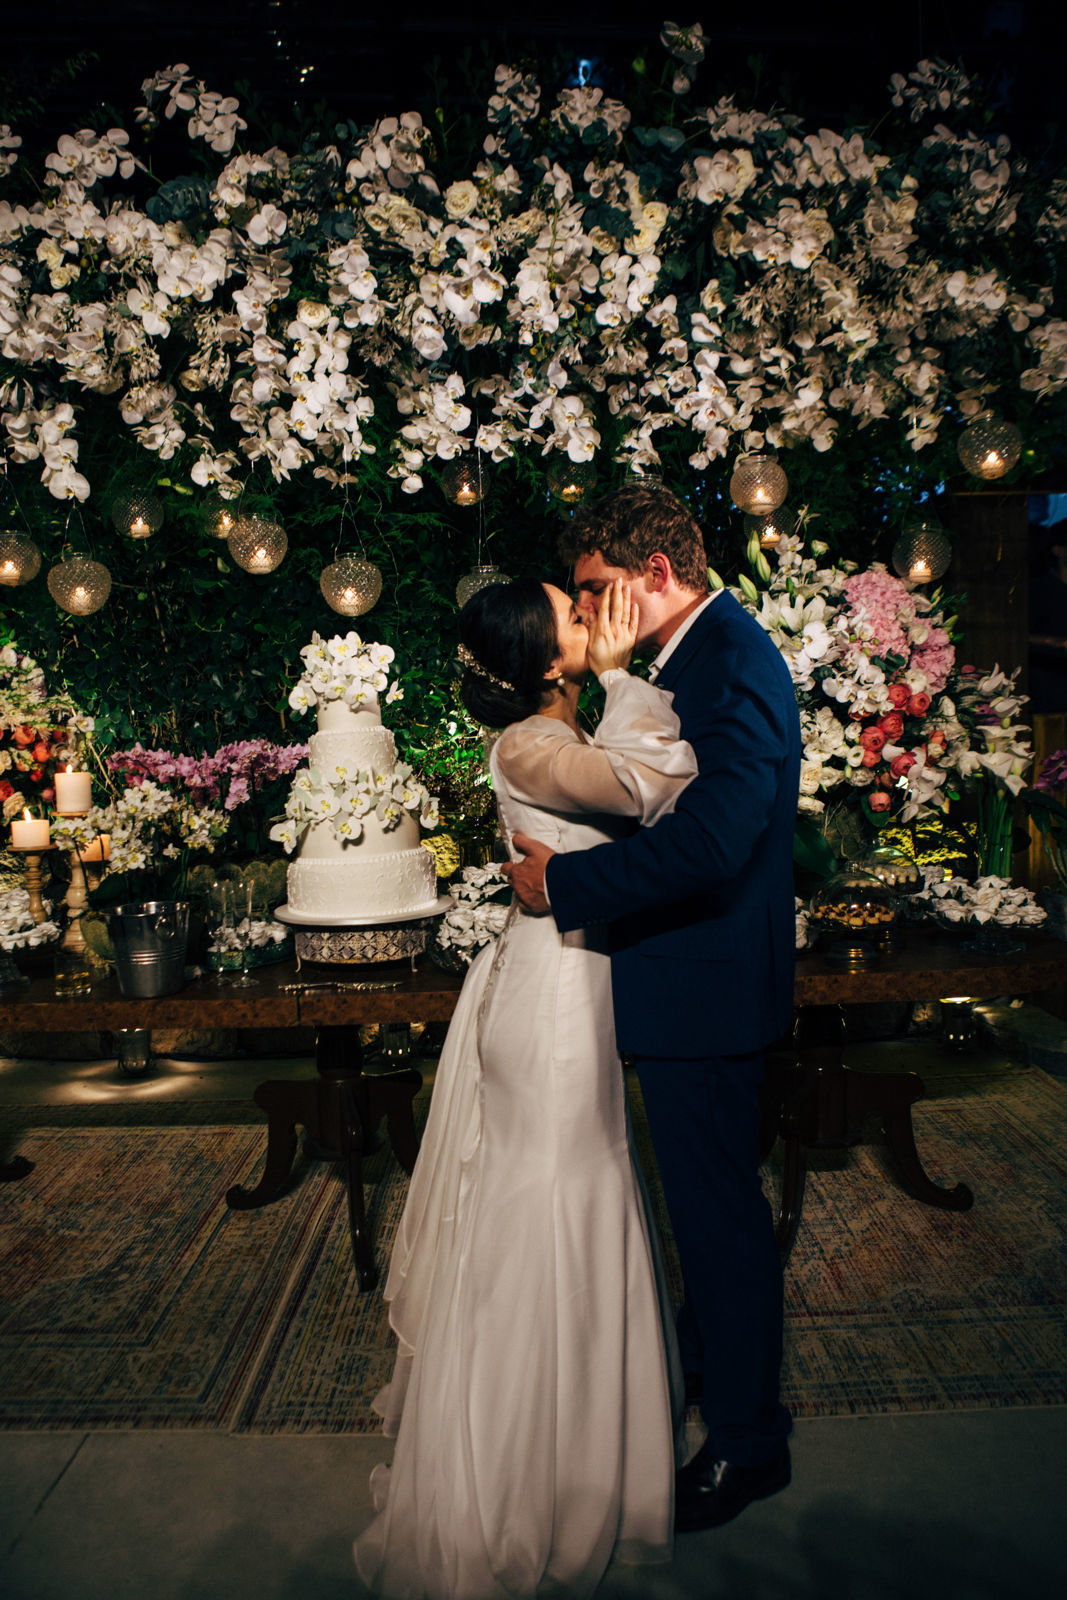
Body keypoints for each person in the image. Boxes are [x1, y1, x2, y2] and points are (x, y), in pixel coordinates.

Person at [354, 575, 699, 1599]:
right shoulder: (530, 748)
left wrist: (612, 677)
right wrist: (630, 668)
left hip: (567, 987)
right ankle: (513, 1482)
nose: (590, 614)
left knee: (576, 1198)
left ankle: (578, 1465)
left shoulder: (561, 729)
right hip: (549, 1007)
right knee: (550, 1206)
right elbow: (652, 785)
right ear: (547, 662)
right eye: (570, 612)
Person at [503, 483, 802, 1534]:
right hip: (682, 980)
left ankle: (746, 1445)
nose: (581, 616)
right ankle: (712, 1388)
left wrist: (568, 887)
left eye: (593, 591)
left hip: (708, 986)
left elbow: (716, 837)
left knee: (718, 1221)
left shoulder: (729, 659)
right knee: (703, 1214)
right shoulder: (689, 657)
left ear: (656, 576)